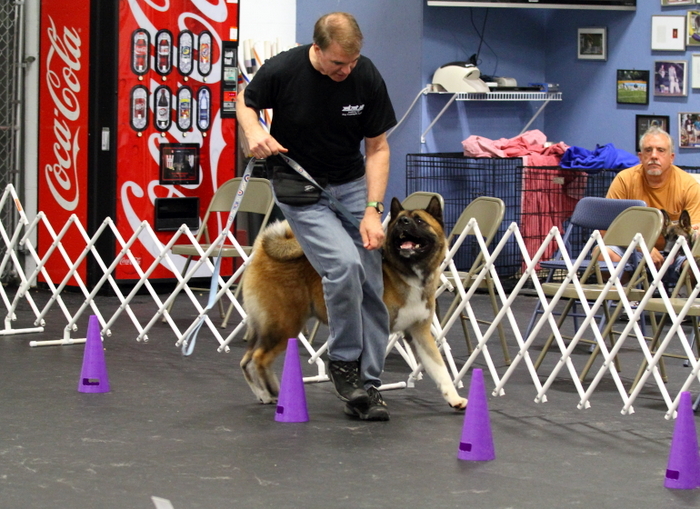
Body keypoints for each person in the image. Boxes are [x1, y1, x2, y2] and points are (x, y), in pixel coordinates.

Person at [236, 12, 397, 421]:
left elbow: (377, 148)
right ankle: (343, 361)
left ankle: (370, 384)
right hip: (299, 187)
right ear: (317, 48)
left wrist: (373, 212)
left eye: (352, 62)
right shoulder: (285, 69)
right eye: (337, 63)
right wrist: (253, 130)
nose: (346, 70)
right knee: (343, 265)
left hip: (351, 184)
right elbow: (245, 99)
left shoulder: (365, 76)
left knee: (371, 282)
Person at [605, 126, 700, 286]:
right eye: (648, 150)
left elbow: (694, 233)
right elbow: (606, 231)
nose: (654, 156)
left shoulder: (688, 185)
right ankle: (624, 303)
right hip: (633, 250)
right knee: (603, 253)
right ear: (641, 156)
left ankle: (684, 307)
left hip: (678, 253)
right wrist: (644, 248)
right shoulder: (624, 180)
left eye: (661, 150)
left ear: (671, 157)